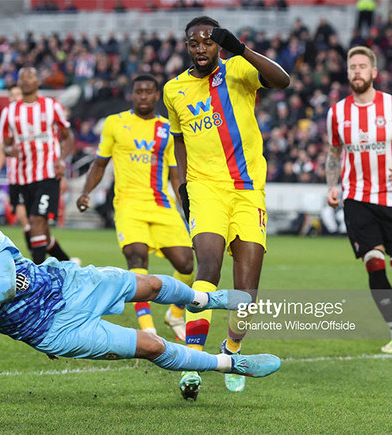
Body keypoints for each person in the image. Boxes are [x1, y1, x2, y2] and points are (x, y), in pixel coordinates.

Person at [0, 218, 282, 384]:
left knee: (148, 285)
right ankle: (233, 364)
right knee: (150, 346)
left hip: (69, 283)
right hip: (55, 330)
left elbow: (5, 284)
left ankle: (199, 299)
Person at [162, 16, 290, 398]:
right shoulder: (174, 89)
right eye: (193, 43)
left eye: (207, 42)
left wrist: (242, 49)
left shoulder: (238, 68)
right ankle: (193, 362)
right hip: (205, 190)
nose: (200, 48)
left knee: (247, 293)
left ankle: (232, 350)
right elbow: (179, 139)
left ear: (218, 44)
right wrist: (183, 183)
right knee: (209, 268)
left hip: (249, 191)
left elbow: (283, 81)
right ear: (187, 47)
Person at [77, 74, 194, 341]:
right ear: (132, 94)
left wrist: (186, 205)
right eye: (138, 91)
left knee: (187, 265)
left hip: (162, 206)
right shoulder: (115, 123)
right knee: (137, 258)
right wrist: (86, 192)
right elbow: (99, 163)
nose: (143, 95)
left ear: (156, 96)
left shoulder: (167, 128)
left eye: (148, 91)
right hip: (128, 206)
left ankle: (175, 313)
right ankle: (149, 330)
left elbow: (175, 174)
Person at [325, 46, 392, 354]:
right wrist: (332, 186)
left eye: (362, 66)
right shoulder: (337, 112)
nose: (356, 71)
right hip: (356, 198)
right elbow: (334, 154)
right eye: (352, 66)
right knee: (373, 261)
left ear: (373, 72)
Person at [0, 73, 75, 265]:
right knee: (35, 224)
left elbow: (67, 135)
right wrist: (9, 150)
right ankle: (67, 263)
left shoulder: (51, 106)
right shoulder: (9, 112)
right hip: (20, 177)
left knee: (36, 220)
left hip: (47, 174)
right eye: (22, 78)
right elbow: (4, 145)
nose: (26, 81)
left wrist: (62, 160)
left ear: (38, 82)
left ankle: (36, 270)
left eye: (31, 77)